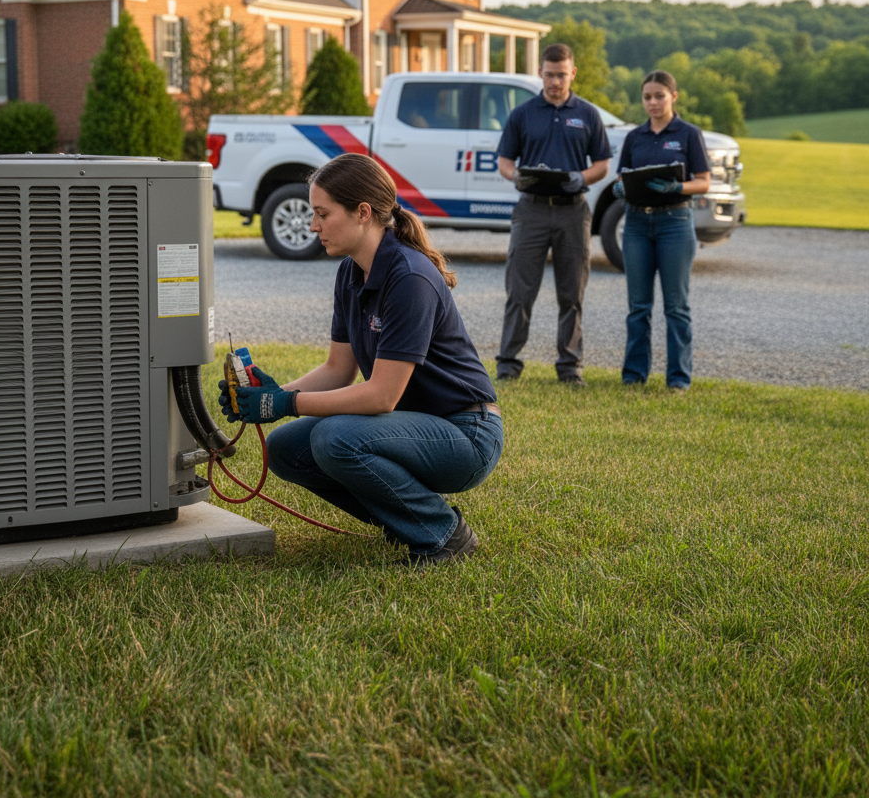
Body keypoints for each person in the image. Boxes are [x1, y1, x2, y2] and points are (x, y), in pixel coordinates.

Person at [218, 152, 503, 566]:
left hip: (467, 434)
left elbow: (381, 397)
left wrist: (286, 404)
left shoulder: (410, 277)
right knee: (284, 448)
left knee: (334, 439)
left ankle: (442, 534)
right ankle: (406, 522)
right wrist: (273, 393)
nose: (313, 225)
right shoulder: (352, 272)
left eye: (322, 213)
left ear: (362, 213)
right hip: (414, 427)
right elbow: (339, 369)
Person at [495, 43, 611, 385]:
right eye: (549, 74)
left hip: (573, 212)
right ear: (540, 73)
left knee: (572, 292)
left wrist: (582, 177)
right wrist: (516, 176)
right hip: (530, 211)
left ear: (573, 73)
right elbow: (504, 162)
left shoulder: (588, 115)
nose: (555, 81)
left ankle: (570, 367)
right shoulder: (523, 114)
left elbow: (602, 164)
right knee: (520, 291)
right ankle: (508, 365)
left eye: (561, 75)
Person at [613, 70, 711, 390]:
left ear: (673, 96)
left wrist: (677, 187)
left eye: (659, 96)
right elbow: (621, 177)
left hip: (675, 223)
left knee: (676, 307)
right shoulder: (634, 137)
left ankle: (678, 379)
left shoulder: (688, 134)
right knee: (638, 306)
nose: (653, 102)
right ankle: (633, 376)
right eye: (647, 97)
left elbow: (704, 181)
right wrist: (619, 188)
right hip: (637, 223)